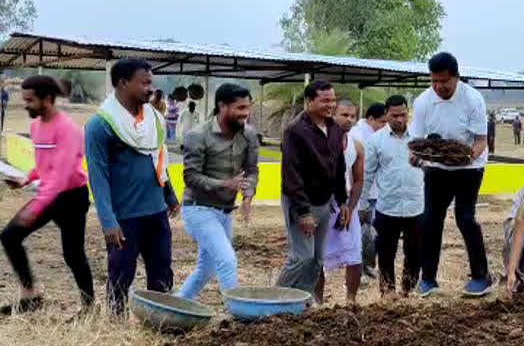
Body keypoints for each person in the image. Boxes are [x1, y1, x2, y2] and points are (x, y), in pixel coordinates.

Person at [85, 58, 179, 314]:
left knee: (162, 273)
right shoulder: (100, 125)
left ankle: (160, 320)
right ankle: (116, 326)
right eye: (145, 82)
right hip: (124, 217)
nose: (151, 88)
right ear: (123, 83)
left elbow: (158, 158)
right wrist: (107, 220)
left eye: (151, 82)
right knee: (120, 276)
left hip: (156, 212)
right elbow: (98, 175)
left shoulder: (154, 120)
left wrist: (170, 194)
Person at [0, 76, 94, 317]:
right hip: (50, 194)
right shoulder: (36, 125)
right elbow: (44, 165)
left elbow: (61, 176)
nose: (26, 104)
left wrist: (36, 208)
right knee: (10, 236)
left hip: (72, 197)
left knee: (73, 255)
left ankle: (89, 307)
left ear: (47, 99)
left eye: (30, 100)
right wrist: (26, 179)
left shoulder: (68, 130)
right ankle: (29, 296)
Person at [410, 52, 493, 297]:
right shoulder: (424, 101)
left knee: (465, 218)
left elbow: (480, 141)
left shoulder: (472, 99)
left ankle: (481, 277)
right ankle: (428, 279)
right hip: (437, 167)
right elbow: (418, 141)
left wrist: (467, 157)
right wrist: (415, 156)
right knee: (430, 220)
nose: (438, 87)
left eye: (444, 81)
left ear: (456, 77)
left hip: (469, 167)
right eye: (434, 81)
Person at [177, 83, 259, 298]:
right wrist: (224, 184)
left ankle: (173, 309)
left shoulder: (249, 135)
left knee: (206, 270)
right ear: (222, 106)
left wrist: (248, 196)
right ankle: (237, 316)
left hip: (225, 212)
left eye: (247, 108)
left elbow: (252, 170)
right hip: (198, 209)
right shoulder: (197, 135)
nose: (246, 114)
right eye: (240, 108)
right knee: (226, 260)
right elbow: (190, 177)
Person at [276, 81, 349, 303]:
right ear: (309, 102)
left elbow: (339, 167)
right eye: (325, 100)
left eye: (333, 100)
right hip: (301, 202)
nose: (331, 105)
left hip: (324, 201)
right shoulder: (295, 131)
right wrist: (303, 212)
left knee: (317, 260)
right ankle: (273, 299)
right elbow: (291, 174)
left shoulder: (334, 128)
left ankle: (302, 303)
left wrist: (342, 201)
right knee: (301, 257)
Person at [360, 95, 424, 298]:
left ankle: (409, 290)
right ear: (386, 114)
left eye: (403, 115)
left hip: (417, 206)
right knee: (386, 253)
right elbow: (367, 174)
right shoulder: (375, 141)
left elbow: (433, 167)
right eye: (394, 115)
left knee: (415, 253)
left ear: (408, 113)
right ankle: (388, 292)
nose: (399, 119)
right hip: (387, 207)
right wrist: (362, 204)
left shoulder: (419, 138)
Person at [322, 100, 365, 304]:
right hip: (322, 203)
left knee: (355, 255)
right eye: (344, 114)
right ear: (332, 114)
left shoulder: (356, 145)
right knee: (317, 258)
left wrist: (349, 207)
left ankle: (351, 301)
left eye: (352, 116)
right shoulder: (318, 142)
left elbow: (358, 180)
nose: (349, 119)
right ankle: (318, 302)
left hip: (347, 205)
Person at [348, 102, 387, 278]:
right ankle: (358, 269)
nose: (385, 126)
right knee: (360, 232)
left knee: (374, 233)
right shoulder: (357, 134)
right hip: (362, 191)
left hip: (378, 192)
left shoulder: (380, 134)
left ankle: (367, 265)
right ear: (371, 119)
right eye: (382, 122)